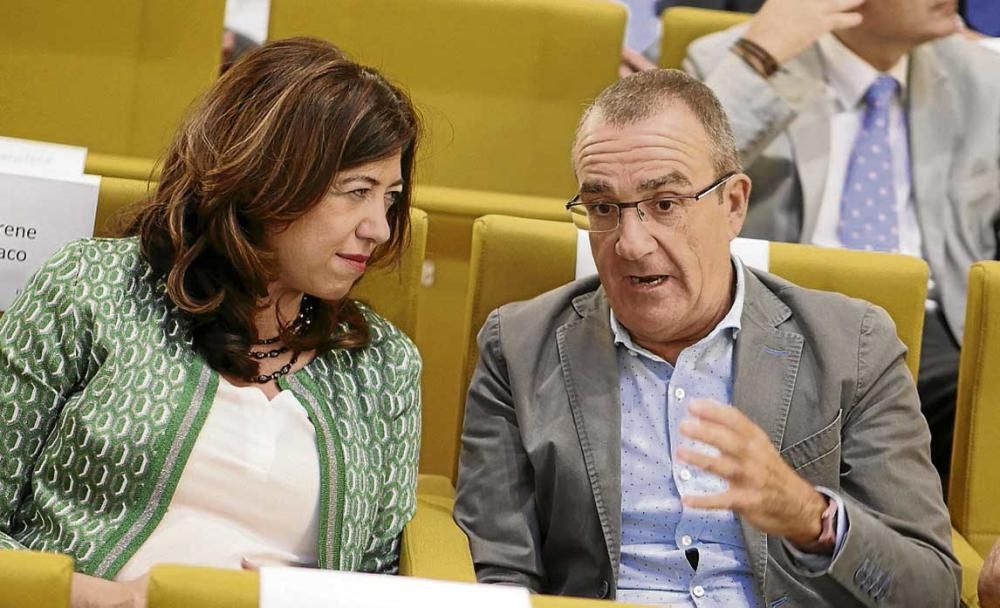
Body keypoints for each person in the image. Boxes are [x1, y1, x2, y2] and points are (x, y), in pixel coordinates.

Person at [454, 69, 959, 607]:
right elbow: (501, 571)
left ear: (734, 204)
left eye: (665, 203)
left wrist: (811, 519)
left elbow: (931, 591)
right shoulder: (520, 346)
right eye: (603, 208)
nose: (630, 243)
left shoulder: (851, 346)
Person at [0, 37, 422, 607]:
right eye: (357, 193)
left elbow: (375, 583)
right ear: (267, 180)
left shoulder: (383, 365)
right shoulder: (94, 288)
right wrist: (108, 598)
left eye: (390, 198)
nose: (381, 228)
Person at [683, 0, 1000, 489]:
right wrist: (759, 58)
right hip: (791, 314)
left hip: (933, 330)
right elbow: (674, 190)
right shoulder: (738, 61)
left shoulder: (981, 77)